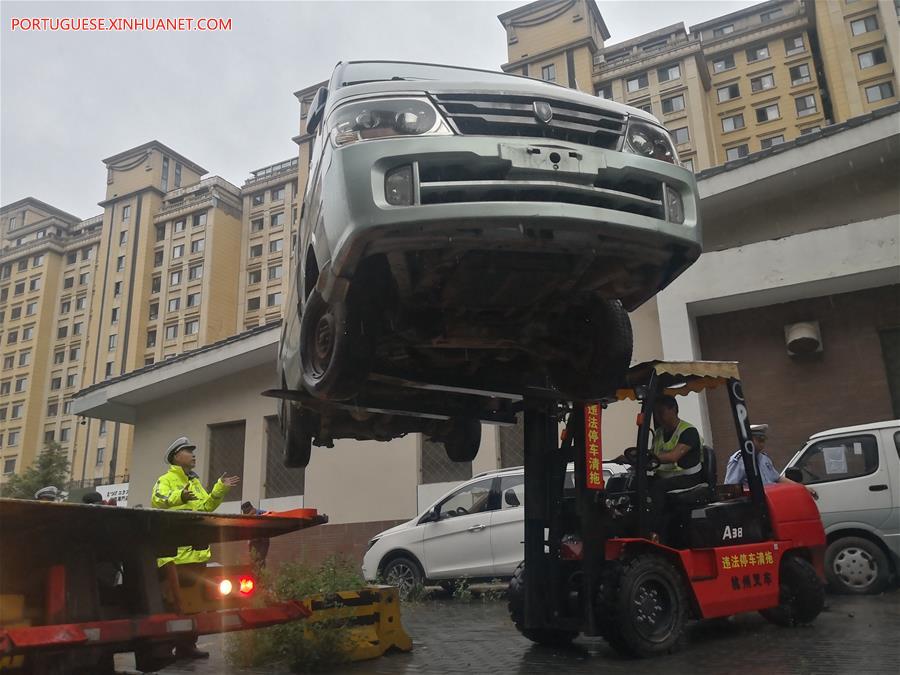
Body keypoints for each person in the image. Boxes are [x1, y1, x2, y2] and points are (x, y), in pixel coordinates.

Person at [151, 436, 240, 659]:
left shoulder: (195, 482)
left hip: (197, 556)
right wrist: (179, 495)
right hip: (175, 558)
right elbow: (158, 500)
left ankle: (187, 646)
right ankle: (164, 648)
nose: (193, 454)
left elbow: (205, 506)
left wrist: (219, 488)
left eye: (193, 451)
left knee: (193, 605)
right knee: (172, 605)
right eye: (188, 451)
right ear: (175, 457)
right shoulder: (166, 480)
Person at [648, 395, 704, 540]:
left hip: (689, 478)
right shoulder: (659, 432)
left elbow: (674, 456)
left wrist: (647, 457)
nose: (659, 417)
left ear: (673, 409)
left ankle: (655, 532)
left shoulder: (688, 431)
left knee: (658, 487)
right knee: (638, 483)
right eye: (657, 413)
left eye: (662, 412)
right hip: (667, 477)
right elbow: (653, 454)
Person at [725, 424, 817, 498]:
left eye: (764, 440)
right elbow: (731, 489)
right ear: (748, 440)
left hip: (772, 501)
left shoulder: (764, 458)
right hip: (754, 506)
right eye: (760, 440)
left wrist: (802, 488)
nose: (763, 444)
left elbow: (778, 479)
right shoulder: (739, 460)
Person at [241, 501, 271, 568]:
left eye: (247, 512)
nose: (246, 514)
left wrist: (253, 514)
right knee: (253, 560)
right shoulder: (247, 517)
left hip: (263, 540)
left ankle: (262, 575)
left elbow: (270, 515)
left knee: (261, 559)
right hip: (253, 541)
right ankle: (256, 574)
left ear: (251, 509)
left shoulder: (261, 513)